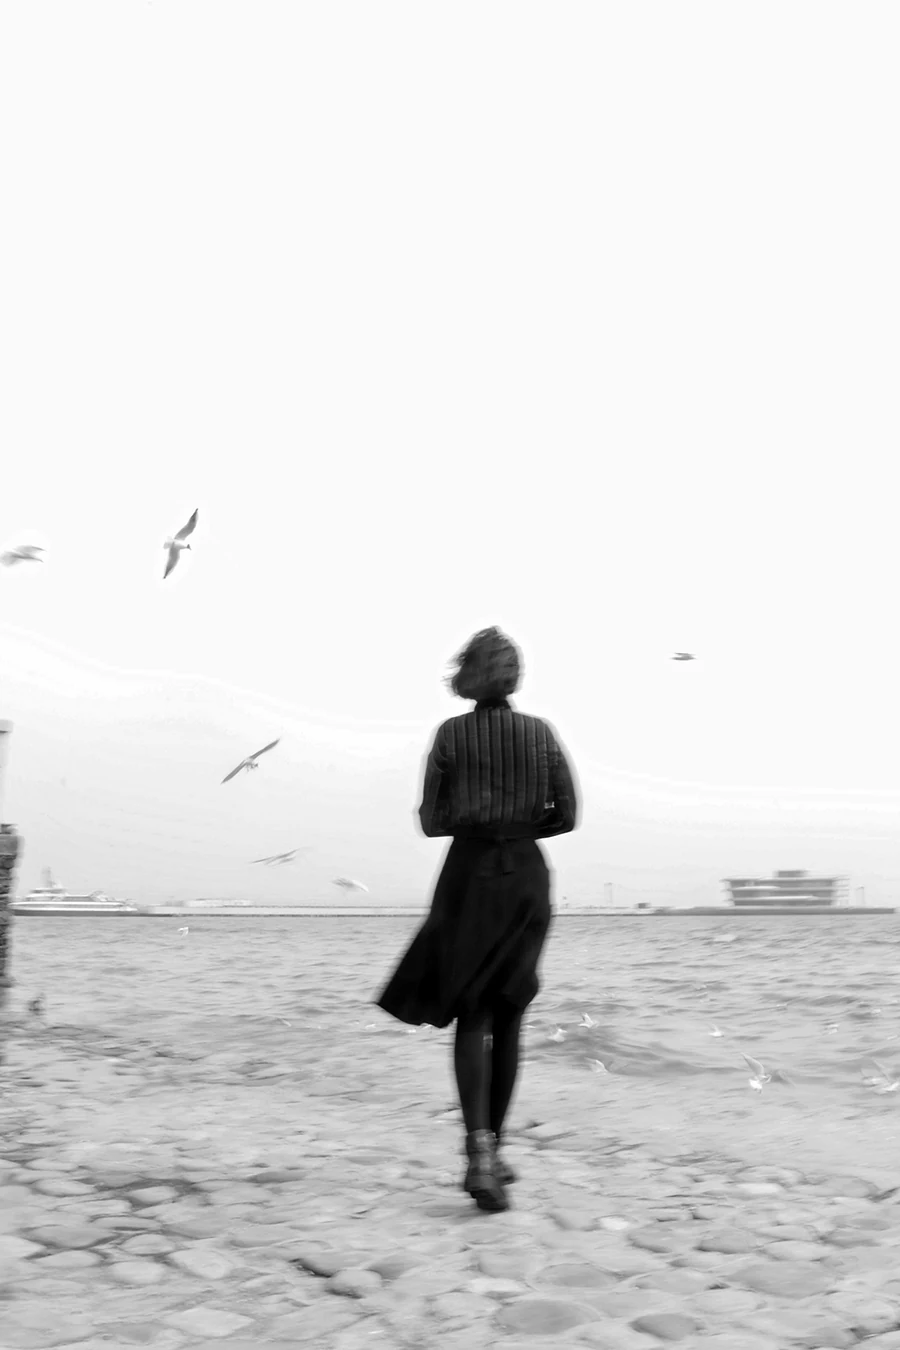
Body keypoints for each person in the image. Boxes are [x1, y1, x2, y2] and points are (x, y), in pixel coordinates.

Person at [375, 626, 579, 1213]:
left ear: (466, 675)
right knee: (511, 1012)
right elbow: (566, 816)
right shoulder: (540, 734)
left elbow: (433, 823)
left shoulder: (450, 736)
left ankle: (479, 1151)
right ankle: (497, 1150)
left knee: (474, 1012)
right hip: (524, 877)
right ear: (514, 675)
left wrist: (478, 823)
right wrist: (518, 828)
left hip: (468, 875)